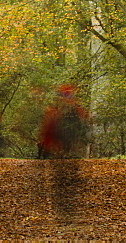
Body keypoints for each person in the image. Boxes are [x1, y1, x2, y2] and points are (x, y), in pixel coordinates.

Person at [37, 84, 90, 218]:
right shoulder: (60, 111)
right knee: (63, 167)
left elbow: (81, 121)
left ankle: (66, 196)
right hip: (62, 141)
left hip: (65, 140)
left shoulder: (67, 110)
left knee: (65, 167)